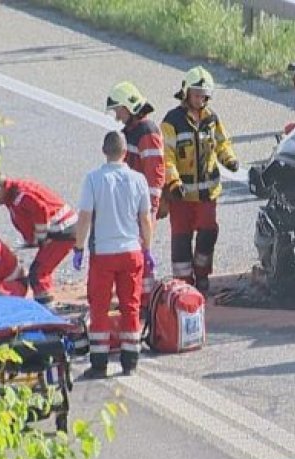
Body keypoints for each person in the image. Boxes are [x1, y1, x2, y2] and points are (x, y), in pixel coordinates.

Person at [72, 131, 154, 378]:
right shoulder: (138, 180)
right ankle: (130, 361)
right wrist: (147, 249)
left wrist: (78, 247)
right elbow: (145, 220)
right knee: (131, 306)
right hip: (131, 252)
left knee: (99, 307)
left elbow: (85, 217)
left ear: (104, 151)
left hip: (103, 254)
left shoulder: (93, 180)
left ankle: (99, 363)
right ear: (125, 152)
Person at [160, 66, 239, 294]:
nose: (200, 98)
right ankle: (184, 283)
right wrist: (173, 183)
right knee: (181, 240)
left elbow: (222, 142)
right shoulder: (172, 121)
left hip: (207, 195)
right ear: (186, 93)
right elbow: (167, 156)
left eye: (204, 95)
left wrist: (230, 160)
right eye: (196, 94)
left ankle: (202, 276)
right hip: (181, 196)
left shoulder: (211, 119)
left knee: (208, 234)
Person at [105, 81, 164, 312]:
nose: (117, 116)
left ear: (129, 107)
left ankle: (145, 299)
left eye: (119, 110)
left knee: (140, 252)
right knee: (132, 251)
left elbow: (155, 173)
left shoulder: (147, 132)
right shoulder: (130, 133)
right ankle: (137, 297)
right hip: (130, 204)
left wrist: (149, 208)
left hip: (141, 205)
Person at [0, 172, 77, 307]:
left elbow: (40, 211)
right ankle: (46, 304)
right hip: (59, 231)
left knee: (38, 273)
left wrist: (41, 238)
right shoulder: (13, 197)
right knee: (39, 270)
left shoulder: (20, 196)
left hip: (63, 231)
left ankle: (47, 308)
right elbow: (27, 219)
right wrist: (33, 240)